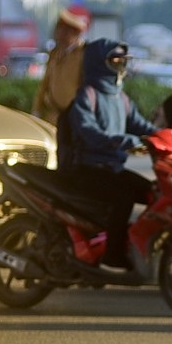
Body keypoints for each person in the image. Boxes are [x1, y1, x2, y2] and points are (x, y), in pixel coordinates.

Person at [57, 39, 158, 270]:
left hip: (113, 166)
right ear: (99, 62)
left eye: (123, 60)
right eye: (115, 59)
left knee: (150, 190)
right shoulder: (87, 94)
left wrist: (167, 136)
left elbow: (141, 125)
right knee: (123, 197)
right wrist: (123, 141)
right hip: (87, 168)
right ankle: (113, 255)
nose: (121, 64)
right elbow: (89, 132)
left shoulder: (120, 96)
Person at [31, 4, 91, 126]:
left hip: (75, 119)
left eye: (63, 30)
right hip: (53, 118)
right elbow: (44, 85)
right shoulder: (54, 53)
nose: (58, 34)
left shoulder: (84, 55)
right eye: (58, 29)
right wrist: (36, 110)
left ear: (74, 33)